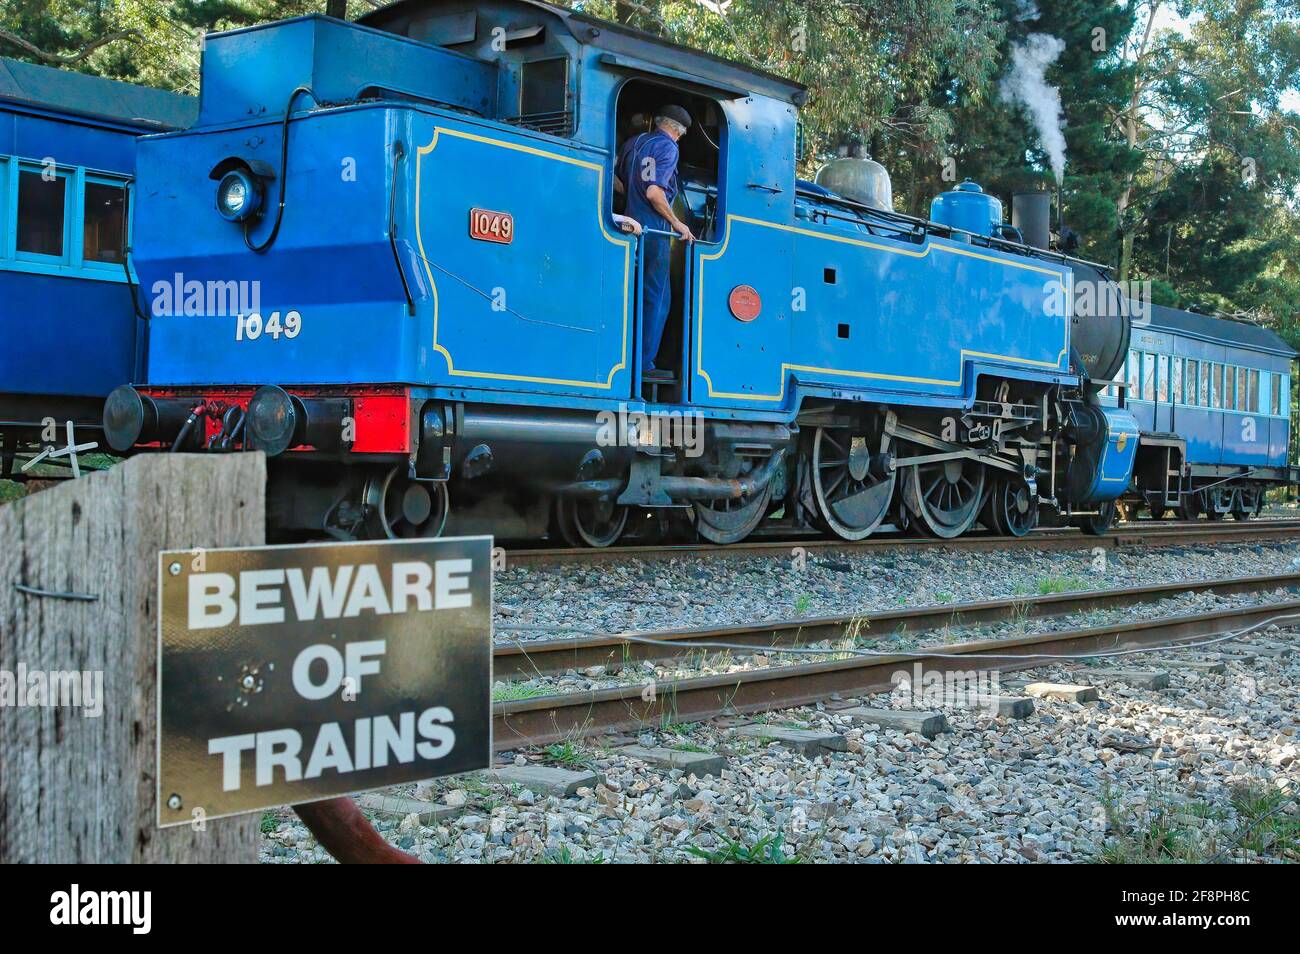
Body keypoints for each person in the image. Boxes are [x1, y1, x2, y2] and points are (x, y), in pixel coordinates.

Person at [613, 105, 696, 376]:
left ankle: (625, 359)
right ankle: (644, 364)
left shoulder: (633, 143)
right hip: (654, 229)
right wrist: (677, 222)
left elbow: (616, 181)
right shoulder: (669, 148)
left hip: (627, 226)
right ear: (678, 132)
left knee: (630, 293)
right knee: (658, 297)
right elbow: (654, 192)